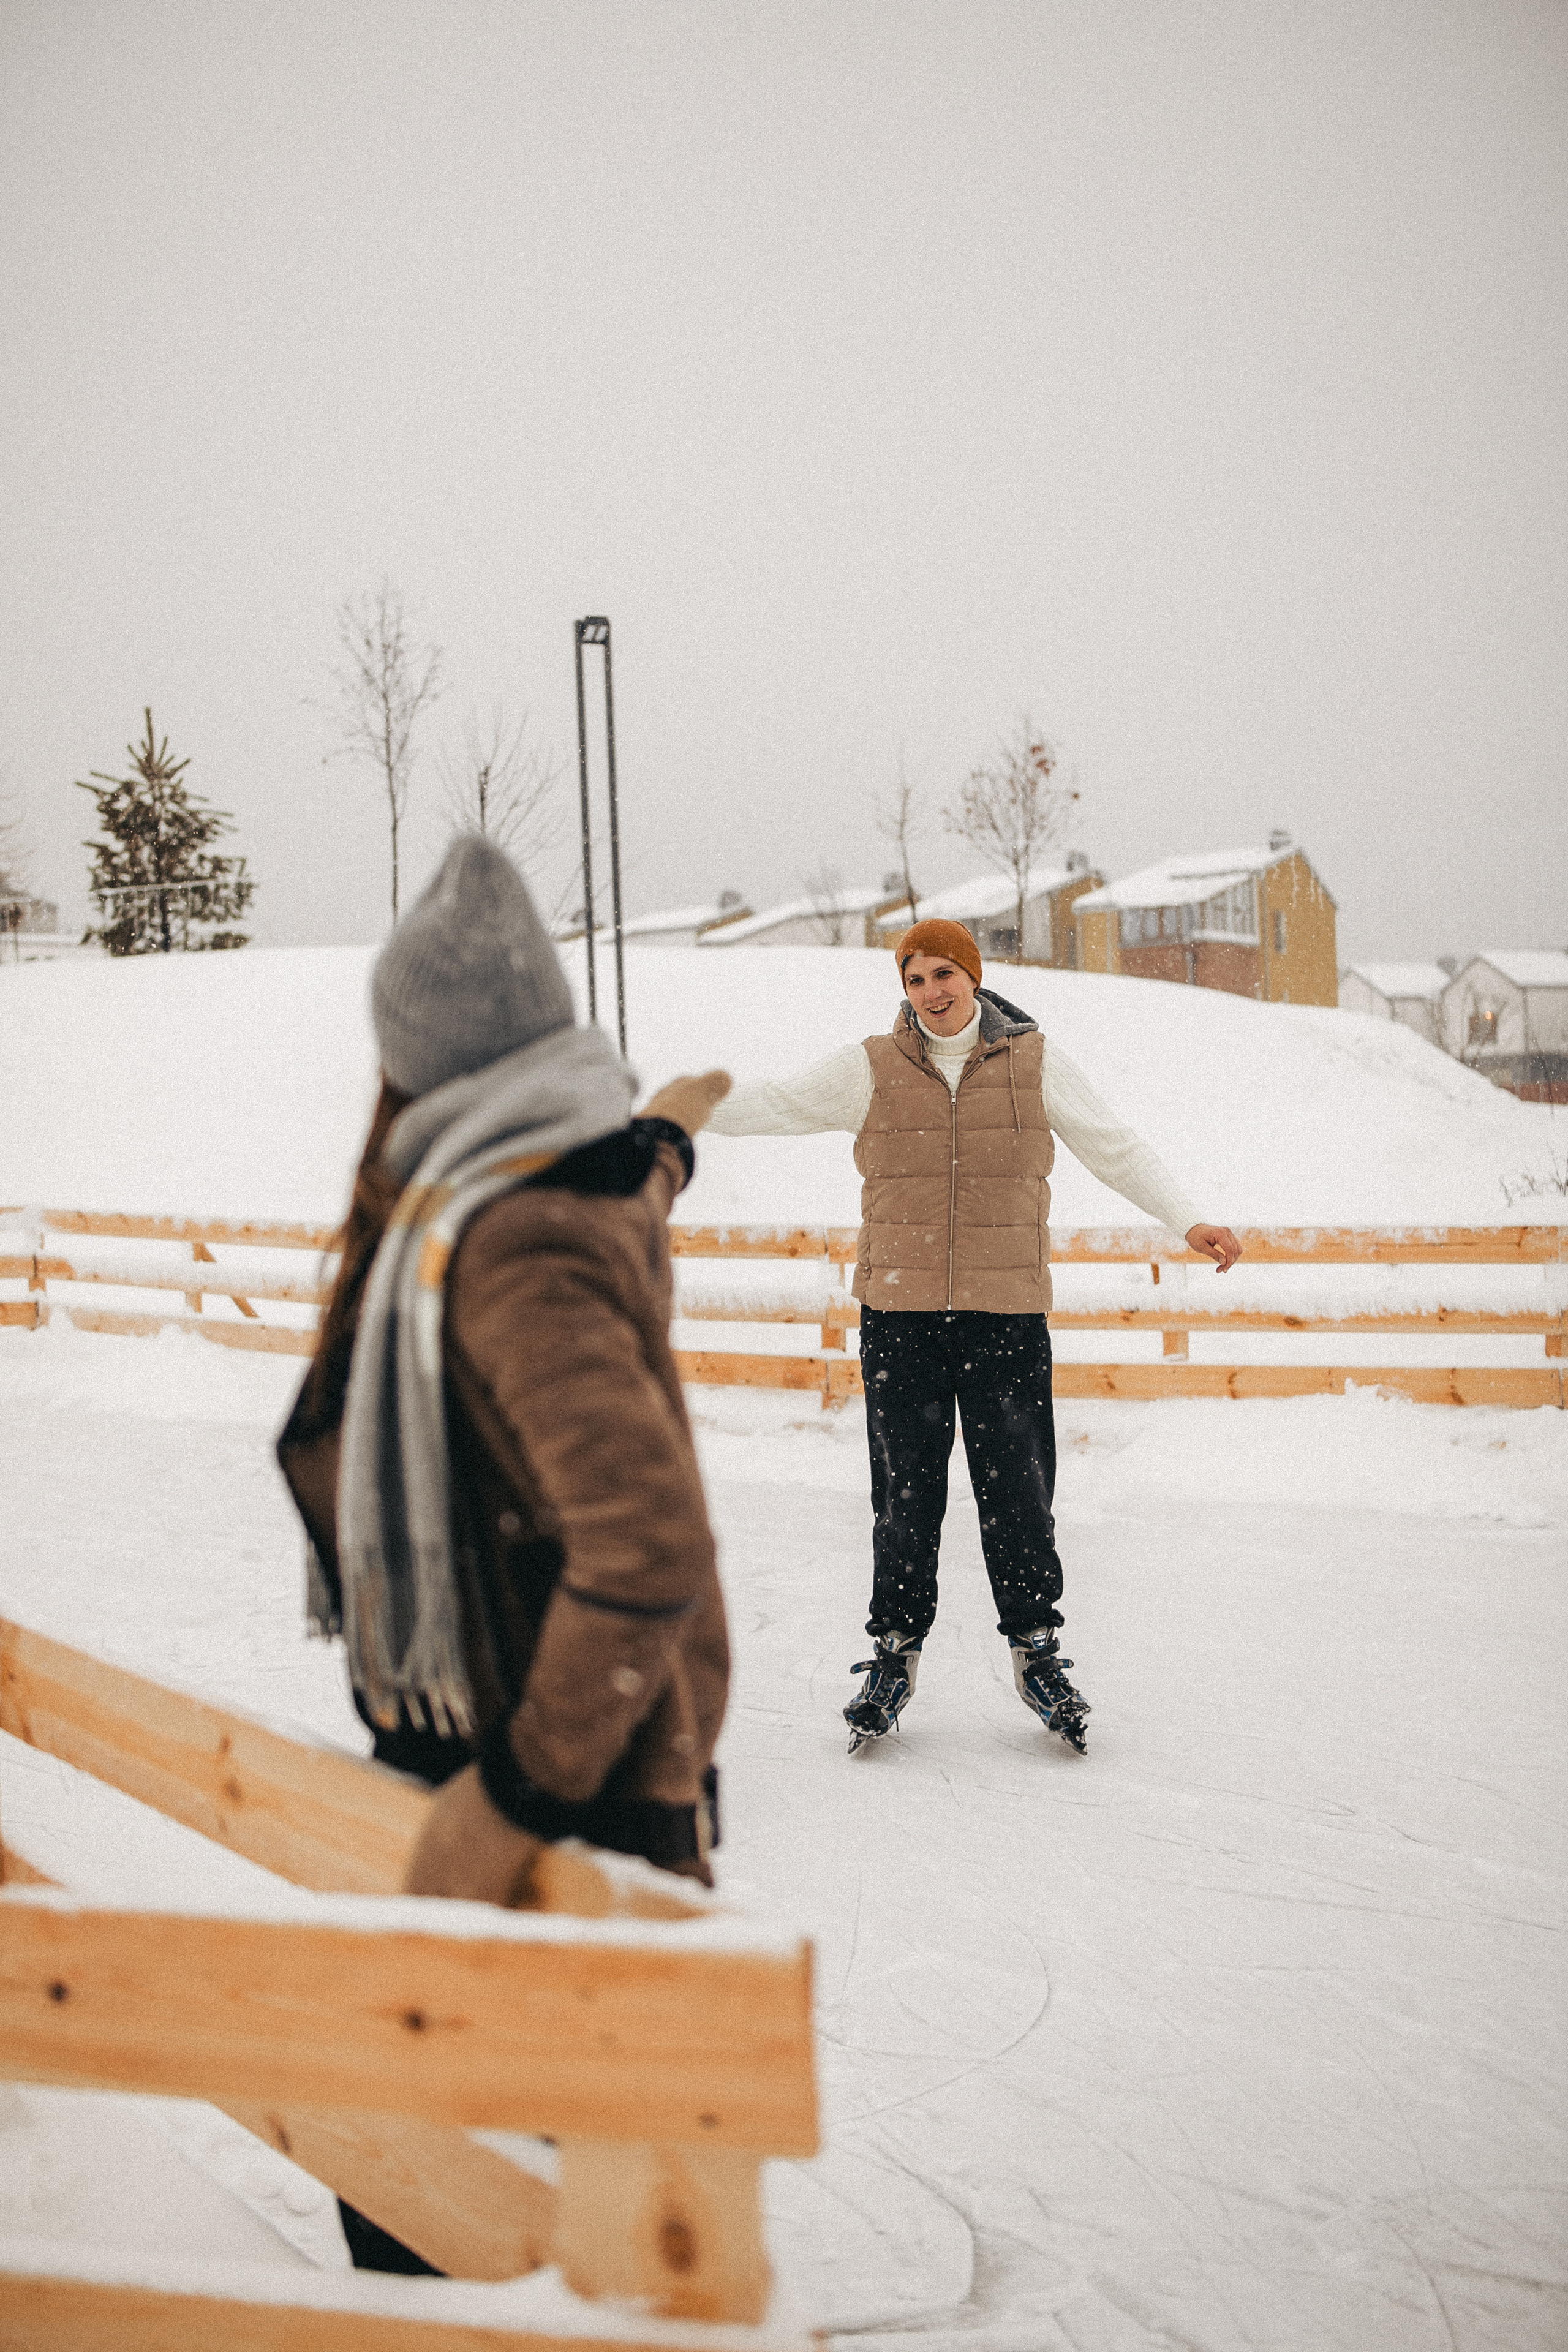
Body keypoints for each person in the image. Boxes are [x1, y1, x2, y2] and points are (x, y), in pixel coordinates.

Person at [277, 834, 731, 2272]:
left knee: (466, 2217)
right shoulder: (562, 1169)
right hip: (513, 1750)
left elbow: (645, 1546)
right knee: (446, 2186)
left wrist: (512, 1795)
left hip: (555, 1793)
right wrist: (672, 1135)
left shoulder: (510, 1232)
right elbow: (635, 1197)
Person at [706, 917, 1241, 1758]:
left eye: (944, 974)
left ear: (975, 977)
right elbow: (773, 1103)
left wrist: (1189, 1219)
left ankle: (1037, 1653)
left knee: (1019, 1495)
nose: (931, 993)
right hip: (901, 1317)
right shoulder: (872, 1068)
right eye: (915, 979)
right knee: (904, 1498)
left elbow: (1112, 1144)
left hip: (1005, 1316)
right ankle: (894, 1655)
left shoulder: (1032, 1060)